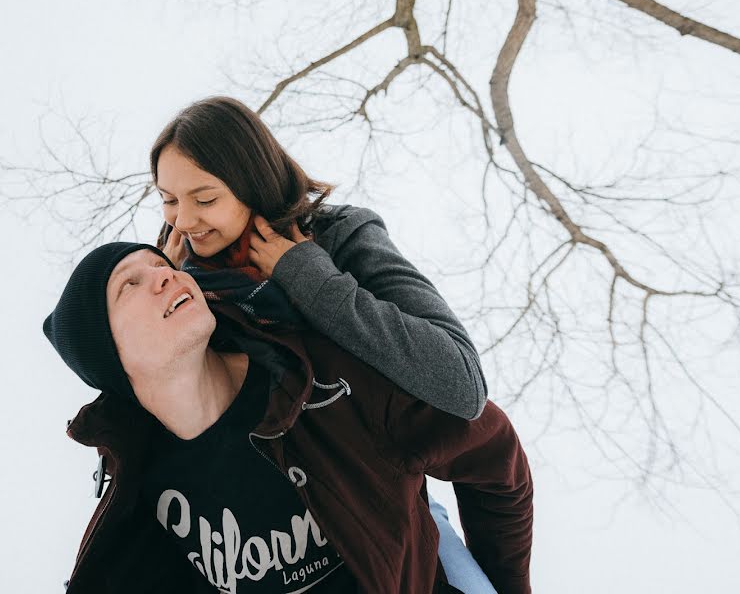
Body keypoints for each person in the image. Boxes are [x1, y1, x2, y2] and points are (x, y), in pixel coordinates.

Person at [43, 242, 534, 593]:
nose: (165, 274)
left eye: (162, 264)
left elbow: (496, 458)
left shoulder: (327, 383)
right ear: (107, 355)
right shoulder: (137, 498)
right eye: (131, 283)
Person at [147, 95, 497, 589]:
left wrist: (312, 281)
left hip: (388, 510)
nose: (182, 220)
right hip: (265, 545)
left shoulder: (341, 237)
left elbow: (462, 384)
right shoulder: (180, 277)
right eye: (167, 198)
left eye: (204, 199)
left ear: (254, 185)